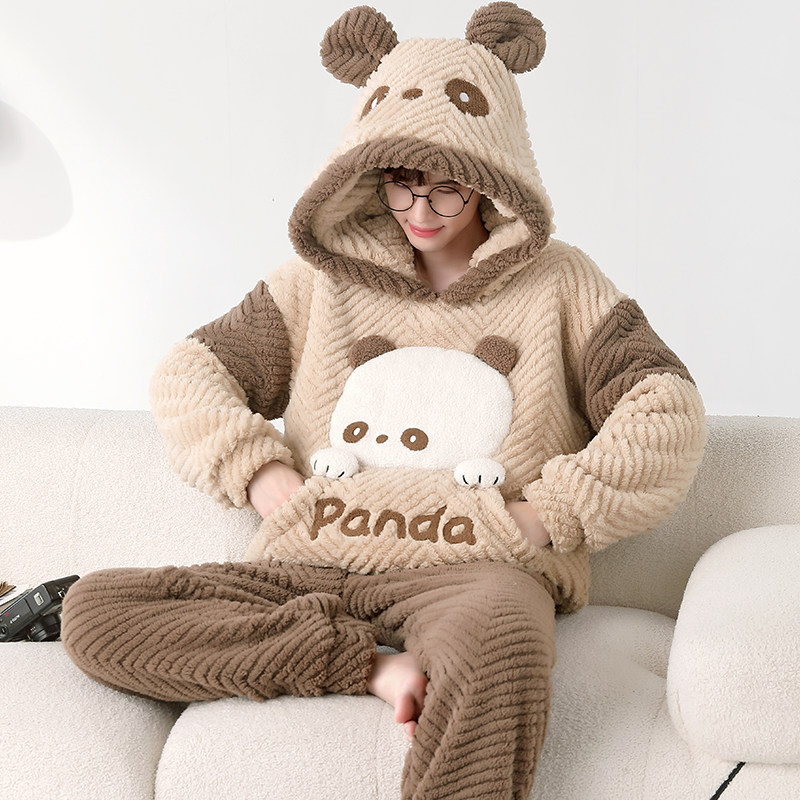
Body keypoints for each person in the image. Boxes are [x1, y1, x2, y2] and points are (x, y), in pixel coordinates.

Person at [61, 5, 706, 799]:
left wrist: (550, 513)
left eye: (447, 190)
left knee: (504, 644)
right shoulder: (316, 283)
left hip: (473, 570)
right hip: (312, 562)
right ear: (370, 172)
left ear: (493, 175)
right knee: (95, 613)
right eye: (403, 185)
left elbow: (665, 408)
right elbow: (189, 372)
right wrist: (257, 469)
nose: (421, 213)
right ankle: (367, 665)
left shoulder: (561, 284)